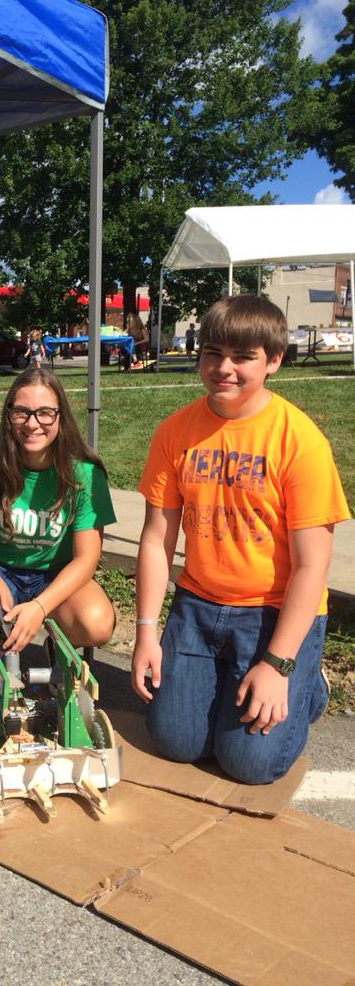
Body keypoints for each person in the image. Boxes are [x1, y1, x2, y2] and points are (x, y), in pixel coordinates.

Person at [131, 295, 350, 784]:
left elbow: (313, 566)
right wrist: (146, 629)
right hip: (198, 606)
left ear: (273, 361)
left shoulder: (300, 440)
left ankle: (306, 683)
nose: (223, 368)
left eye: (242, 357)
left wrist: (277, 663)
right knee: (177, 743)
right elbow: (156, 537)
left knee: (249, 765)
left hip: (272, 615)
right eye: (212, 352)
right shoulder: (175, 431)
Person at [0, 367, 116, 653]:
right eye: (21, 412)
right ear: (9, 416)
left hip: (55, 573)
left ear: (61, 416)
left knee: (97, 624)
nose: (32, 424)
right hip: (1, 568)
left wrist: (40, 607)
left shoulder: (86, 475)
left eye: (45, 412)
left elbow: (86, 559)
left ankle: (58, 640)